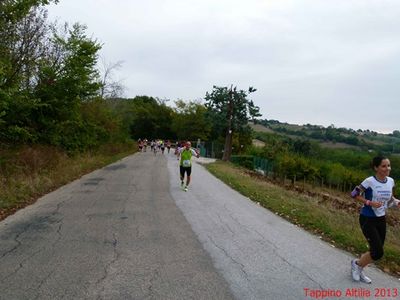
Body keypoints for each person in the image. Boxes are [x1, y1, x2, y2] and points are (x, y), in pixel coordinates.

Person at [350, 156, 399, 283]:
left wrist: (395, 202)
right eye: (383, 166)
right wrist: (369, 202)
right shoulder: (369, 181)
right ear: (376, 168)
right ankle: (357, 265)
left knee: (376, 251)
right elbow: (354, 194)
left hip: (381, 219)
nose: (387, 168)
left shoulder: (391, 181)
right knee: (377, 251)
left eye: (388, 165)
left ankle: (358, 266)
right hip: (367, 219)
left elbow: (390, 198)